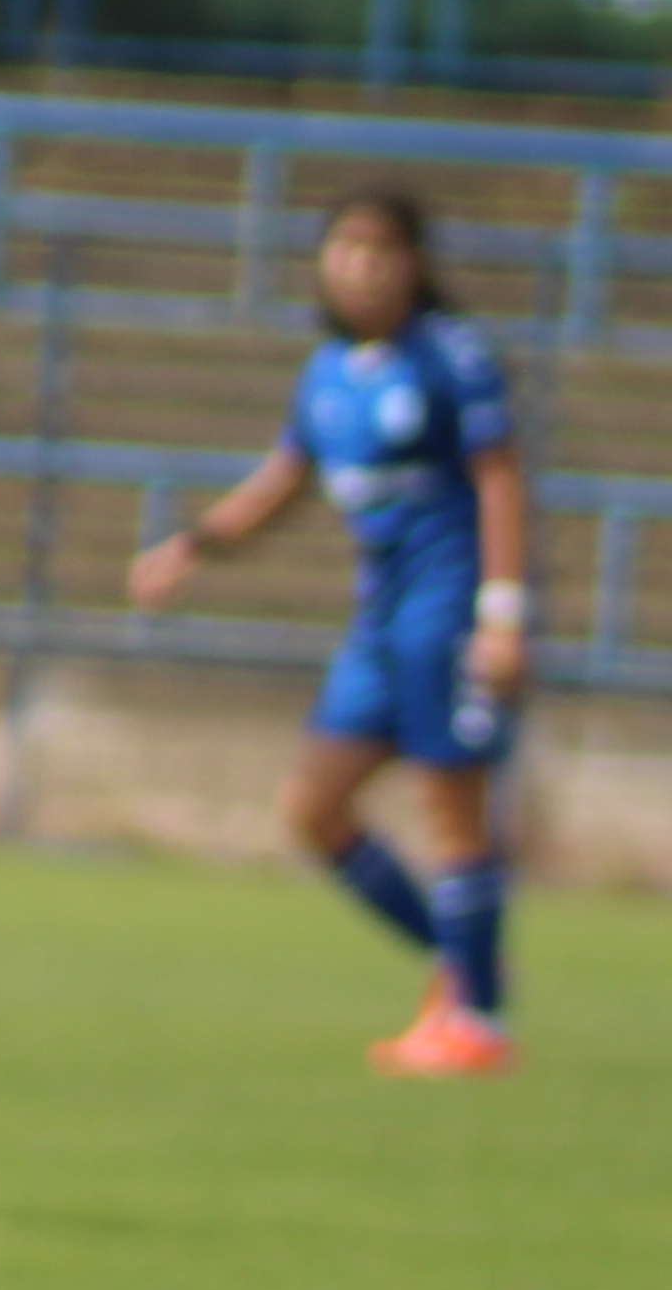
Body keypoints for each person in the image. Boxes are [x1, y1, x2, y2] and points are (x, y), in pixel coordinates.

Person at [127, 189, 532, 1076]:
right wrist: (192, 546)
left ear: (417, 262)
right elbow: (284, 480)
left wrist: (503, 612)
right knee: (314, 810)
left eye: (383, 250)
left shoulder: (451, 358)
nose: (364, 265)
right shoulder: (328, 375)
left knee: (450, 814)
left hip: (447, 615)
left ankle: (480, 1024)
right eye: (348, 248)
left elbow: (498, 479)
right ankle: (461, 964)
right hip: (377, 628)